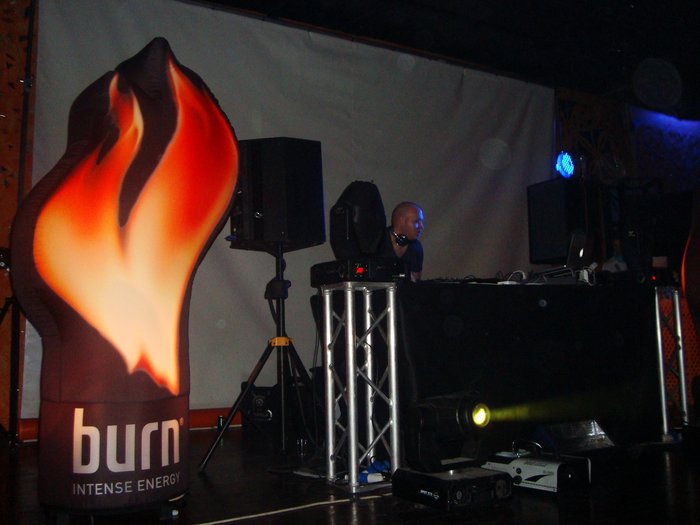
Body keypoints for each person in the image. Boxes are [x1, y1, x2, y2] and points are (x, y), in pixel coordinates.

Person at [377, 201, 424, 282]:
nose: (421, 226)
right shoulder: (377, 242)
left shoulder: (416, 247)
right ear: (400, 221)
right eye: (416, 222)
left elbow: (416, 281)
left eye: (421, 222)